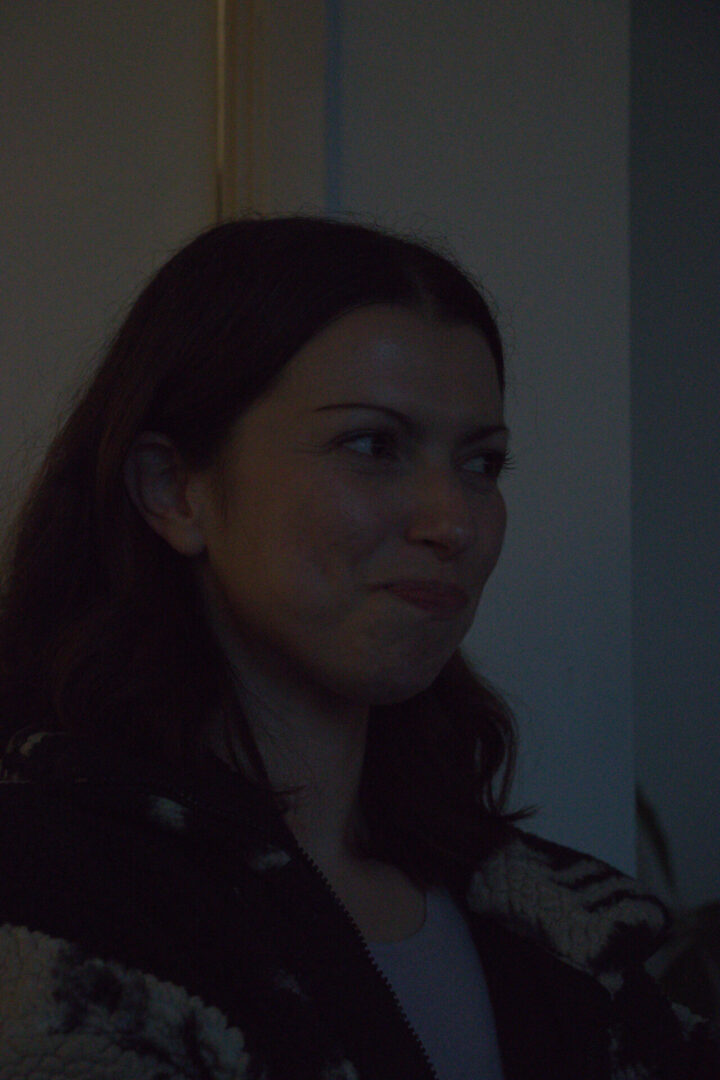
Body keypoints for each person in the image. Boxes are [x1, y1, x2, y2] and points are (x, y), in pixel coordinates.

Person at [0, 216, 716, 1080]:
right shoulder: (46, 895)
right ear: (175, 490)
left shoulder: (557, 925)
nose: (454, 521)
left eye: (482, 463)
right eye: (373, 445)